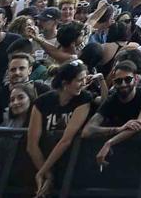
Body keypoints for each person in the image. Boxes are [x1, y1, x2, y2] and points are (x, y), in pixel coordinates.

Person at [28, 60, 95, 197]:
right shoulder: (42, 102)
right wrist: (47, 174)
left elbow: (66, 140)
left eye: (84, 79)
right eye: (79, 80)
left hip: (75, 163)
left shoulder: (84, 99)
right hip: (42, 160)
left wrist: (42, 172)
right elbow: (32, 145)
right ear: (65, 84)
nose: (84, 84)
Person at [85, 60, 141, 165]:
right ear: (114, 82)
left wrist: (110, 142)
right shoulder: (112, 100)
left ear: (135, 79)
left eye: (127, 79)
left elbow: (140, 124)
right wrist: (118, 129)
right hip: (116, 156)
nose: (123, 84)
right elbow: (87, 130)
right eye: (118, 81)